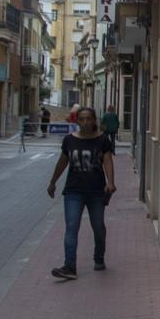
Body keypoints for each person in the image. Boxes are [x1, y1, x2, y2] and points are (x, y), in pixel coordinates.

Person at [46, 106, 115, 280]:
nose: (85, 122)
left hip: (96, 192)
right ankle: (70, 266)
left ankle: (99, 257)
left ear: (94, 121)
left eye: (89, 119)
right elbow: (63, 162)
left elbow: (107, 161)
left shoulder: (103, 140)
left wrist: (110, 182)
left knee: (98, 227)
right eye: (82, 119)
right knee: (71, 228)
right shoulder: (69, 140)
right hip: (73, 191)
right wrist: (52, 182)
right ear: (77, 121)